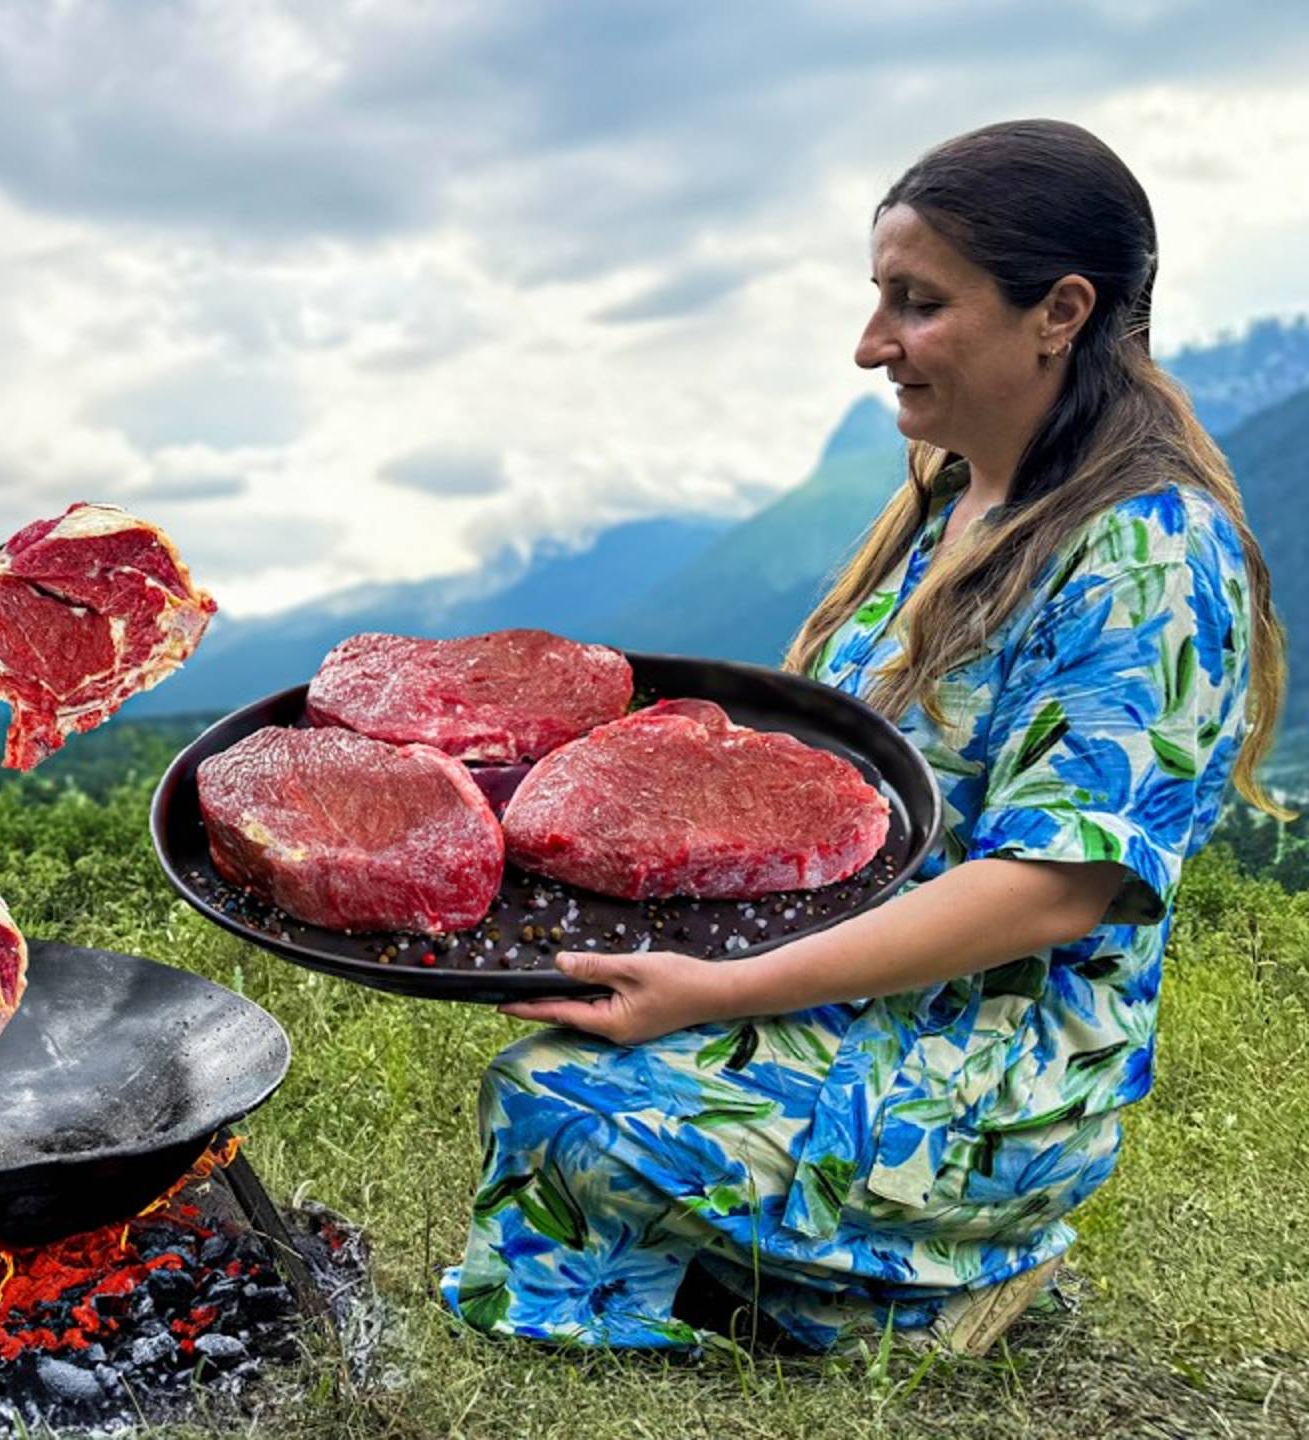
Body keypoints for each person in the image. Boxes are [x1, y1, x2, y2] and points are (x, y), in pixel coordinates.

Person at [444, 120, 1291, 1351]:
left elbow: (1055, 889)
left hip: (994, 1061)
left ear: (1058, 310)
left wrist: (720, 990)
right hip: (865, 988)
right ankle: (787, 1280)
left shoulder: (1147, 549)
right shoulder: (951, 492)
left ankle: (922, 1292)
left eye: (917, 303)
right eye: (877, 297)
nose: (869, 344)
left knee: (567, 1106)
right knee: (555, 1062)